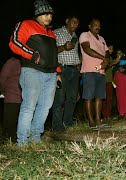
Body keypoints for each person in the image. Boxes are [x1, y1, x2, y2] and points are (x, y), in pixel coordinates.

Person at [8, 0, 60, 145]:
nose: (48, 16)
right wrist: (33, 55)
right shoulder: (25, 24)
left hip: (50, 75)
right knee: (29, 106)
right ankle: (22, 142)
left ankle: (35, 138)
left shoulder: (51, 33)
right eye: (44, 13)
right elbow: (15, 42)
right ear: (37, 14)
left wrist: (58, 72)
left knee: (45, 107)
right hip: (32, 71)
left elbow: (54, 54)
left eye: (50, 13)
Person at [79, 18, 110, 130]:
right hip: (89, 70)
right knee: (88, 97)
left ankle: (98, 121)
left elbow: (107, 53)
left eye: (99, 25)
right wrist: (103, 58)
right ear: (89, 26)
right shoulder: (84, 35)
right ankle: (91, 122)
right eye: (95, 25)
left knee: (99, 97)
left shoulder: (101, 38)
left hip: (101, 71)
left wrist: (106, 62)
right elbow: (86, 49)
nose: (98, 27)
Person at [51, 15, 81, 132]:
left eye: (77, 24)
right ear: (67, 21)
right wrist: (63, 47)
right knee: (59, 98)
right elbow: (51, 51)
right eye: (73, 22)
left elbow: (75, 53)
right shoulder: (56, 33)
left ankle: (68, 122)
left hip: (74, 70)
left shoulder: (75, 36)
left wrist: (78, 67)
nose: (75, 25)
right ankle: (57, 126)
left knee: (72, 98)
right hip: (62, 69)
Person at [0, 56, 22, 143]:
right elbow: (2, 78)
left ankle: (16, 141)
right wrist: (4, 91)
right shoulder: (12, 61)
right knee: (9, 123)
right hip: (12, 97)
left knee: (18, 123)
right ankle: (6, 142)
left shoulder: (28, 63)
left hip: (25, 99)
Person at [101, 45, 119, 122]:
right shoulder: (102, 56)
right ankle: (103, 116)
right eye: (109, 48)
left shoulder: (110, 58)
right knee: (103, 99)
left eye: (112, 49)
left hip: (110, 81)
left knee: (110, 99)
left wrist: (116, 62)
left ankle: (108, 116)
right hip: (103, 81)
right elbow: (98, 67)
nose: (111, 50)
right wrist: (113, 63)